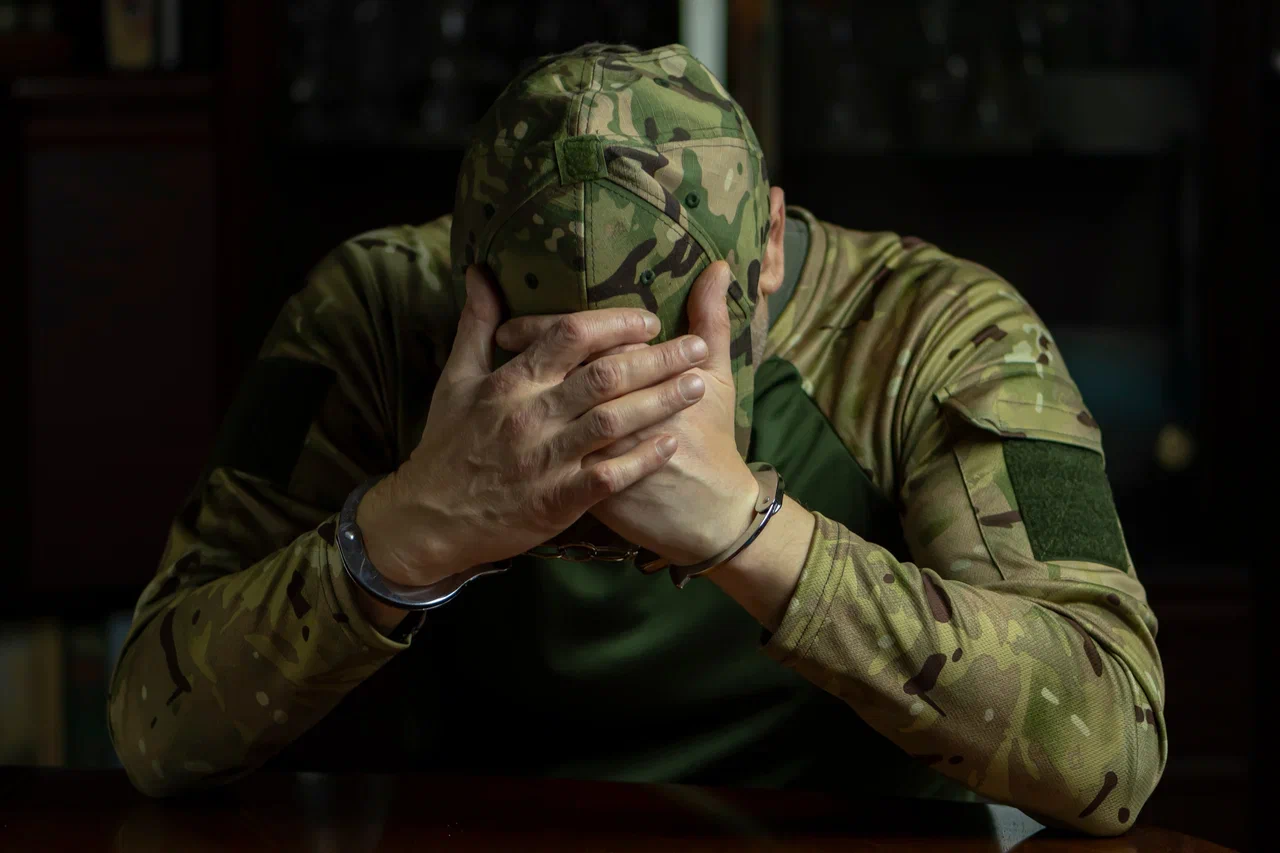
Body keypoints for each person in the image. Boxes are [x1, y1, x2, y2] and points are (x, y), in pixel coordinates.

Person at [106, 43, 1165, 835]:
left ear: (768, 253)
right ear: (461, 273)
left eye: (666, 360)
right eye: (542, 359)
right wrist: (399, 536)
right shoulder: (375, 311)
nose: (598, 414)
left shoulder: (932, 332)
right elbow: (156, 727)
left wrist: (752, 535)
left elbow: (1111, 739)